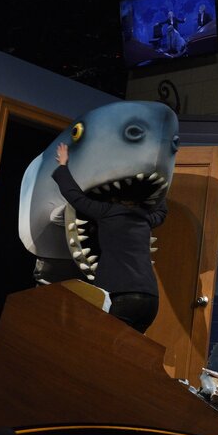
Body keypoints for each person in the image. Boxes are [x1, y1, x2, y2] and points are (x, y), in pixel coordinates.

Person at [53, 142, 168, 332]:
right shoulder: (147, 218)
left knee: (106, 353)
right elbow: (162, 212)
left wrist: (63, 166)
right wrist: (160, 179)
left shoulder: (107, 212)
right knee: (130, 355)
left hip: (122, 295)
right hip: (150, 300)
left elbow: (75, 197)